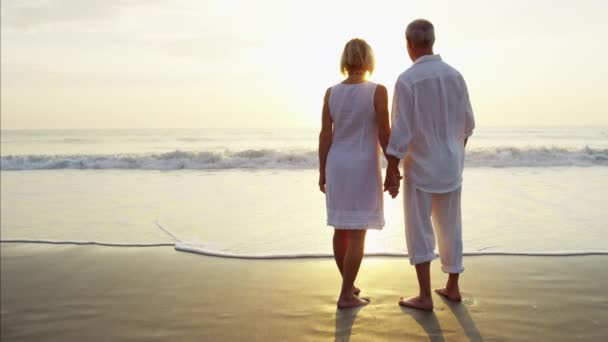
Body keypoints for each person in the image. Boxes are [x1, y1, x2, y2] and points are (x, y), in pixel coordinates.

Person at [384, 19, 475, 311]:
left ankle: (424, 295)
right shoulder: (456, 76)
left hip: (421, 166)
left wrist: (392, 169)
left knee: (419, 228)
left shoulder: (407, 80)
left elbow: (401, 129)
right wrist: (455, 156)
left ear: (409, 44)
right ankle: (452, 287)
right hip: (450, 165)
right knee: (451, 226)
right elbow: (467, 125)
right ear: (432, 42)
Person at [318, 38, 391, 309]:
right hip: (362, 165)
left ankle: (348, 285)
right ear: (368, 60)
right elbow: (384, 133)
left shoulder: (331, 92)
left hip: (337, 164)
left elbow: (326, 135)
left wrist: (322, 169)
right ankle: (346, 294)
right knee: (358, 232)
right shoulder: (378, 91)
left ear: (345, 60)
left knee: (341, 229)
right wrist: (394, 165)